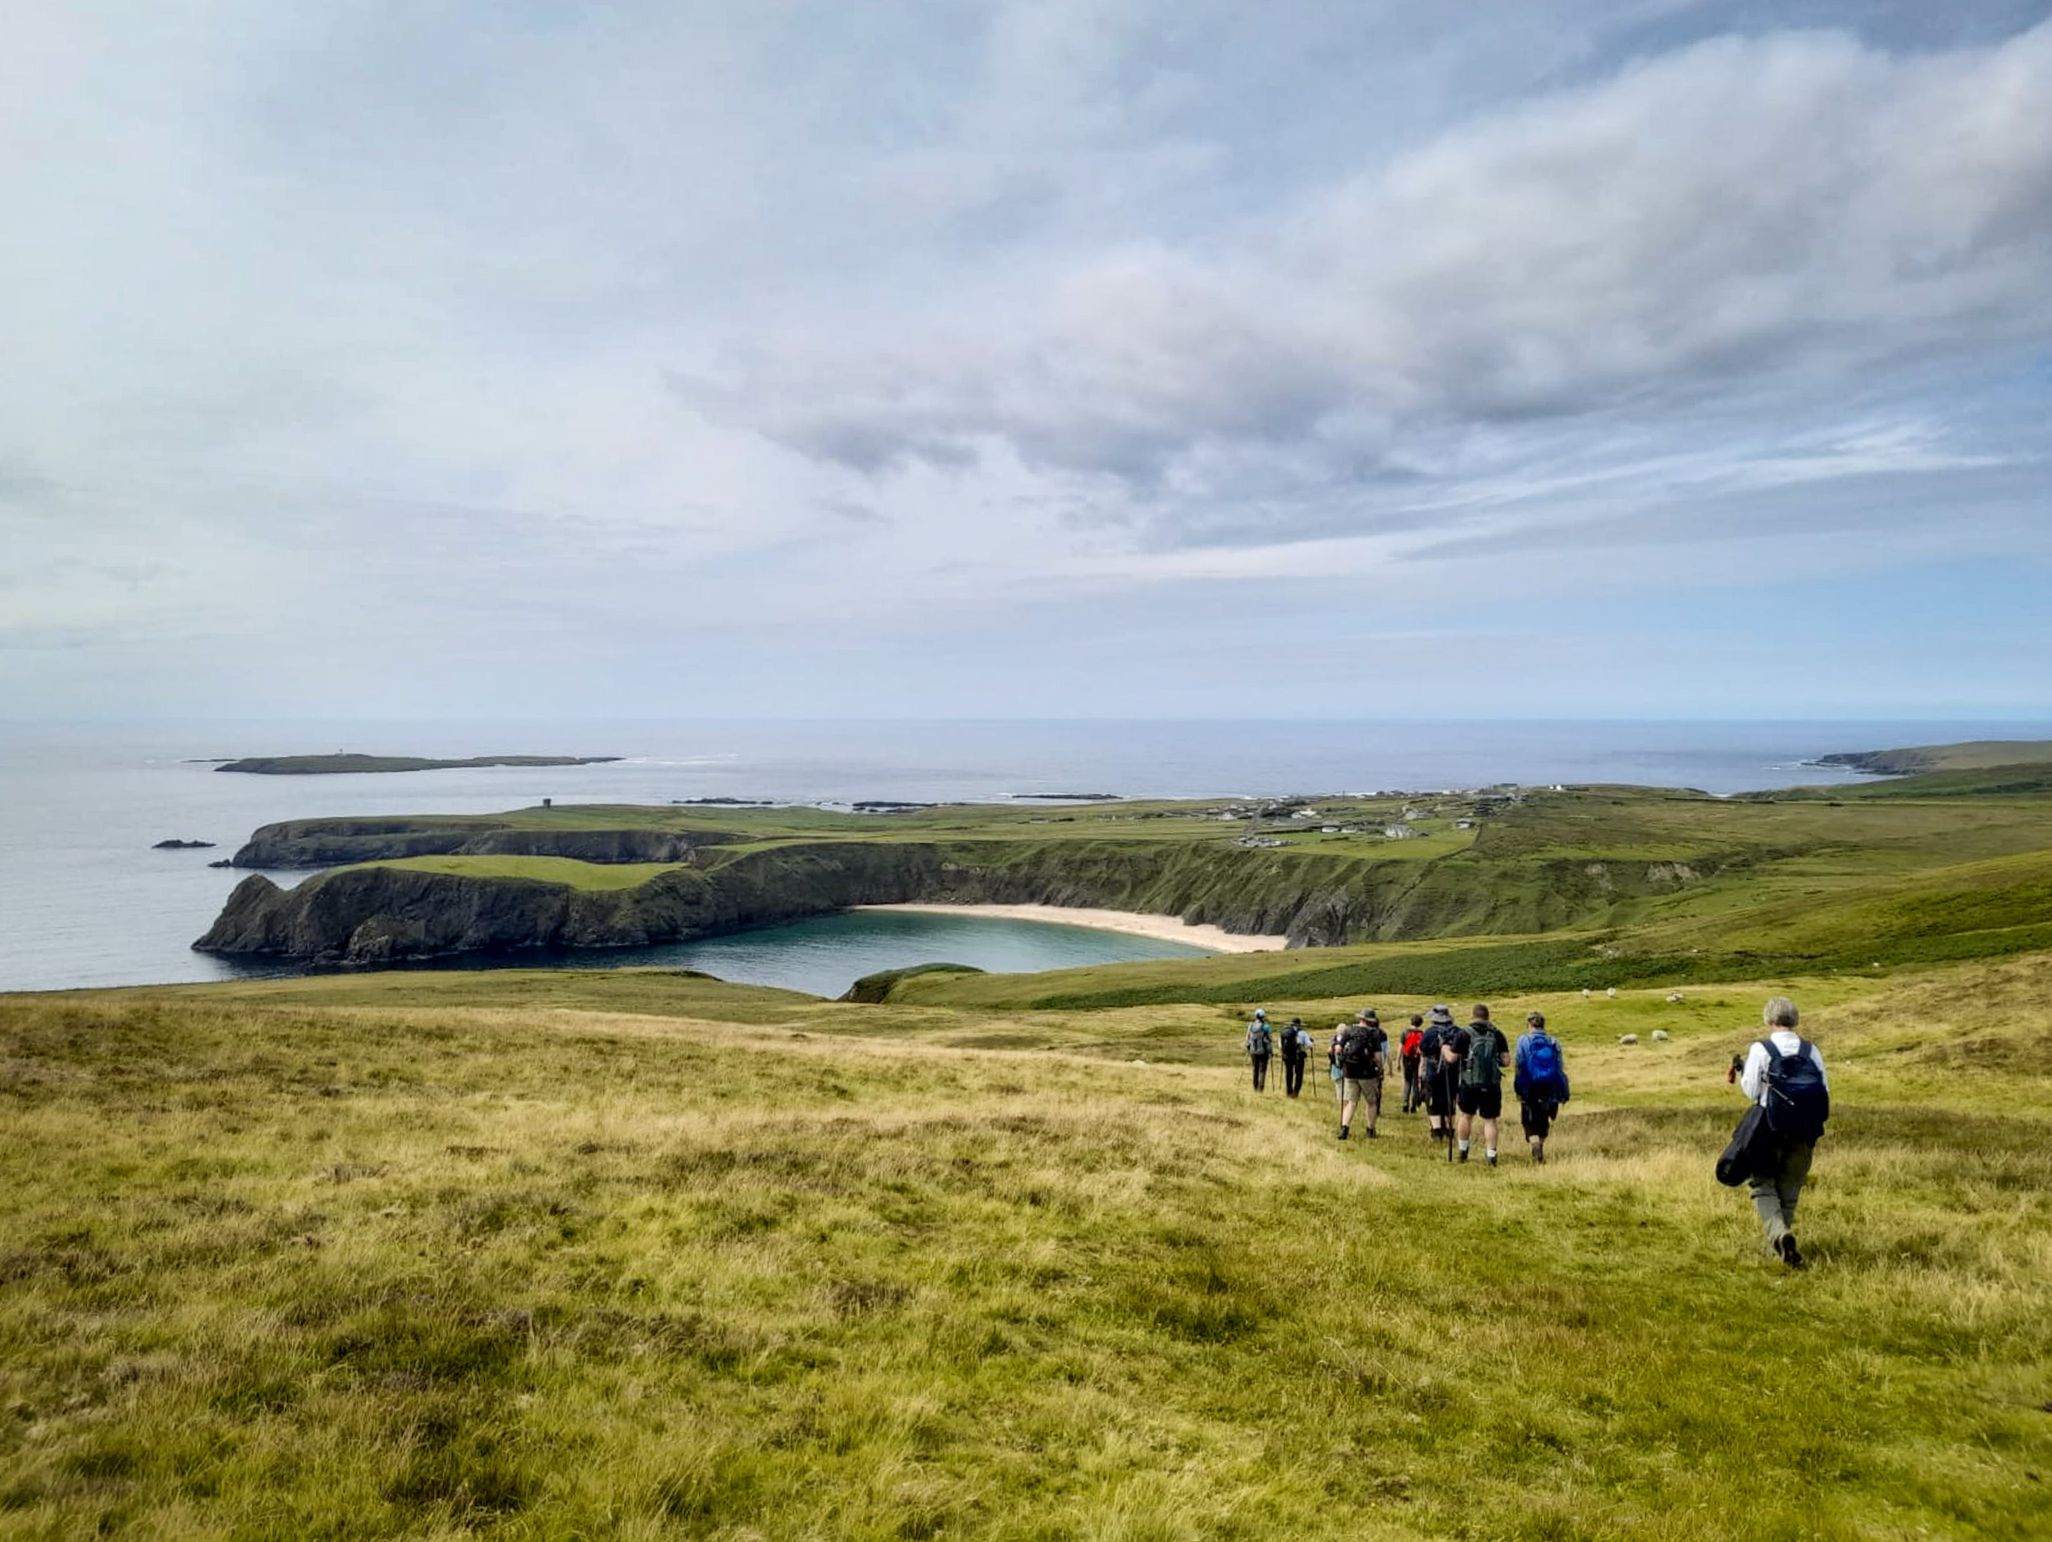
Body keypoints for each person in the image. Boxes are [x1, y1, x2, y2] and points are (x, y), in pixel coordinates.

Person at [1730, 996, 1829, 1270]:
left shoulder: (1762, 1049)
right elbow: (1825, 1092)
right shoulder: (1812, 1051)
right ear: (1795, 1020)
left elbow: (1751, 1091)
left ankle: (1779, 1236)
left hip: (1767, 1128)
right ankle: (1781, 1244)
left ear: (1768, 1019)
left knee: (1762, 1184)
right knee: (1789, 1189)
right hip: (1804, 1131)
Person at [1454, 1003, 1509, 1165]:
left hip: (1469, 1082)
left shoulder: (1464, 1033)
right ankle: (1491, 1155)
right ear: (1488, 1016)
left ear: (1473, 1015)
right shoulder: (1497, 1034)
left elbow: (1452, 1058)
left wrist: (1444, 1049)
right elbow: (1506, 1061)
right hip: (1491, 1083)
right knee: (1490, 1120)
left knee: (1466, 1116)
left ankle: (1463, 1150)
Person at [1513, 1011, 1570, 1163]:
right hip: (1549, 1086)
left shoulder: (1523, 1040)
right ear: (1543, 1025)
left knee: (1529, 1120)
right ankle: (1540, 1147)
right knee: (1544, 1118)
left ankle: (1535, 1145)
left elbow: (1519, 1064)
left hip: (1530, 1085)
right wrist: (1562, 1089)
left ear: (1529, 1024)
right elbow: (1559, 1066)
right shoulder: (1553, 1041)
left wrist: (1518, 1087)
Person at [1335, 1009, 1387, 1140]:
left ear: (1360, 1019)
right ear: (1370, 1021)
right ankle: (1370, 1130)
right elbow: (1378, 1057)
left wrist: (1341, 1061)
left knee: (1351, 1102)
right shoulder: (1374, 1034)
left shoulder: (1348, 1030)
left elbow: (1337, 1048)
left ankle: (1344, 1129)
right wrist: (1380, 1070)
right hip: (1367, 1073)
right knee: (1371, 1102)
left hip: (1350, 1071)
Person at [1418, 1004, 1459, 1143]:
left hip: (1433, 1071)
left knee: (1433, 1101)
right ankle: (1450, 1130)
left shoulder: (1430, 1032)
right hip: (1453, 1072)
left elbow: (1422, 1050)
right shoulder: (1457, 1031)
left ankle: (1436, 1131)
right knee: (1450, 1100)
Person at [1399, 1014, 1425, 1113]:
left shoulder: (1405, 1032)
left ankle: (1405, 1103)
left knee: (1407, 1082)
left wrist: (1397, 1061)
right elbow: (1422, 1050)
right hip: (1417, 1060)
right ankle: (1414, 1106)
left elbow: (1400, 1048)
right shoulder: (1422, 1033)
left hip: (1406, 1060)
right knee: (1415, 1084)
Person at [1280, 1015, 1310, 1098]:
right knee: (1299, 1074)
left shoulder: (1285, 1032)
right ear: (1299, 1024)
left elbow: (1280, 1044)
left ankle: (1288, 1091)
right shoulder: (1303, 1033)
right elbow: (1309, 1044)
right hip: (1299, 1056)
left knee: (1289, 1073)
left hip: (1287, 1055)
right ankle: (1295, 1092)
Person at [1244, 1009, 1273, 1092]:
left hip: (1253, 1050)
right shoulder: (1266, 1026)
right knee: (1262, 1070)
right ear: (1263, 1016)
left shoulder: (1251, 1025)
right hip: (1263, 1051)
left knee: (1255, 1069)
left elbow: (1247, 1038)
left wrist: (1248, 1046)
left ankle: (1255, 1087)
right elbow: (1270, 1038)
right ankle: (1260, 1089)